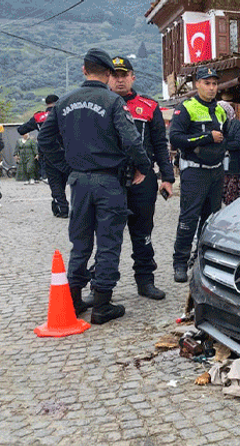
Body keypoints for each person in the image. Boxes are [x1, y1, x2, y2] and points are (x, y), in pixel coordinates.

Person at [38, 48, 152, 325]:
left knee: (80, 242)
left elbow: (44, 141)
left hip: (79, 181)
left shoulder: (64, 102)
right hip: (109, 182)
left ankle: (75, 301)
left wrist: (67, 167)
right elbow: (132, 140)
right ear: (109, 74)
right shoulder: (112, 101)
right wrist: (143, 167)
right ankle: (102, 304)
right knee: (109, 242)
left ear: (83, 70)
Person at [108, 55, 175, 300]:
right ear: (108, 78)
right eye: (115, 75)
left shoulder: (149, 106)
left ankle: (145, 281)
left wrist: (167, 177)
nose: (119, 80)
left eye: (124, 75)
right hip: (111, 181)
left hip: (143, 180)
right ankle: (103, 286)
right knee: (108, 235)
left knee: (143, 233)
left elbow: (160, 144)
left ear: (132, 77)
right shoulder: (102, 105)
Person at [170, 66, 228, 283]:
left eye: (214, 84)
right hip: (194, 172)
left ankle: (202, 258)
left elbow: (227, 136)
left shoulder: (221, 110)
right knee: (188, 219)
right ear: (197, 84)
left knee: (210, 220)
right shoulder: (186, 107)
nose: (212, 88)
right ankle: (179, 263)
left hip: (216, 172)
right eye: (207, 83)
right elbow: (175, 138)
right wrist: (205, 138)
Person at [18, 94, 69, 217]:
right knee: (69, 181)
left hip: (48, 155)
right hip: (67, 154)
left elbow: (21, 130)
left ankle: (62, 208)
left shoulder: (39, 117)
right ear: (58, 102)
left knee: (55, 182)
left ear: (46, 104)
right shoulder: (66, 113)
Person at [218, 100, 240, 206]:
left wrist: (223, 144)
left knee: (232, 195)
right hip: (220, 167)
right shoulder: (217, 125)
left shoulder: (236, 124)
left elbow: (238, 142)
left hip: (233, 165)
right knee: (222, 194)